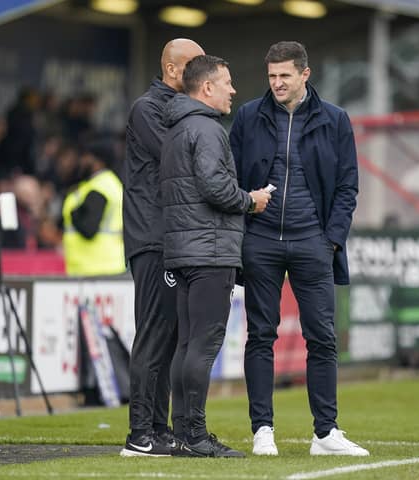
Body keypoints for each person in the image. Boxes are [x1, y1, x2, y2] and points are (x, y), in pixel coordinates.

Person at [229, 41, 368, 456]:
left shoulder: (336, 120)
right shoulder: (248, 116)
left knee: (323, 337)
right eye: (271, 76)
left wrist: (330, 240)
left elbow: (347, 187)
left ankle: (326, 433)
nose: (276, 83)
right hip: (261, 240)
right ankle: (262, 431)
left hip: (313, 241)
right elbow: (230, 177)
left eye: (284, 76)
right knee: (260, 335)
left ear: (305, 74)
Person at [160, 55, 271, 458]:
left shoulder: (176, 128)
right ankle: (195, 436)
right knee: (202, 346)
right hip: (209, 251)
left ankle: (184, 432)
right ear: (206, 88)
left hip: (184, 250)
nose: (233, 90)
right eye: (226, 82)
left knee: (187, 344)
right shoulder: (206, 128)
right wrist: (251, 200)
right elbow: (215, 187)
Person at [120, 38, 205, 457]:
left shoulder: (176, 109)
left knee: (169, 337)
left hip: (172, 235)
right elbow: (180, 157)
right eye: (195, 65)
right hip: (152, 236)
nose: (202, 73)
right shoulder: (147, 109)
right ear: (173, 71)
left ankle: (158, 428)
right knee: (154, 334)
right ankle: (139, 434)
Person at [62, 138, 125, 277]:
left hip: (96, 271)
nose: (82, 161)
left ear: (98, 161)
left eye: (86, 156)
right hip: (101, 268)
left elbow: (88, 228)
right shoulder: (106, 183)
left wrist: (74, 214)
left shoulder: (100, 187)